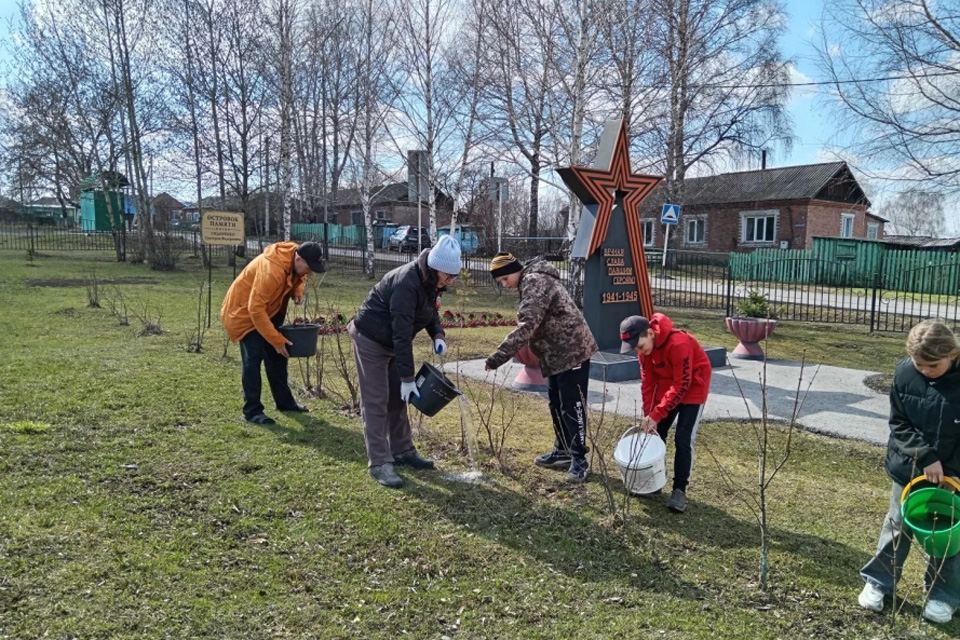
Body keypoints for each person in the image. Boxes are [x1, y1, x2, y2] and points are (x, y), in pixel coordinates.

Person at [858, 319, 960, 624]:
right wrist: (924, 456)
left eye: (933, 365)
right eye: (919, 364)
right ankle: (879, 581)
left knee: (948, 534)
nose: (925, 371)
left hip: (954, 477)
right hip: (910, 468)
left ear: (953, 354)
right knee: (897, 526)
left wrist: (954, 472)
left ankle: (944, 595)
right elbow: (899, 423)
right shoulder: (904, 373)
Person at [348, 234, 461, 488]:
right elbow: (401, 335)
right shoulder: (406, 284)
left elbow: (430, 310)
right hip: (371, 340)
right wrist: (408, 378)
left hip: (390, 342)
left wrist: (438, 334)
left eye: (453, 277)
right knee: (376, 401)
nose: (450, 282)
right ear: (435, 268)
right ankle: (379, 462)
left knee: (398, 399)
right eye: (448, 276)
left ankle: (402, 450)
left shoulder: (431, 281)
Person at [484, 252, 598, 483]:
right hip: (556, 354)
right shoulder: (531, 280)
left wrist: (497, 357)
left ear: (514, 271)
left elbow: (527, 325)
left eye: (505, 279)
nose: (505, 285)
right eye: (500, 282)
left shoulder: (534, 281)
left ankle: (579, 460)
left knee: (572, 405)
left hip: (572, 350)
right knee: (556, 403)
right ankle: (563, 451)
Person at [221, 241, 326, 425]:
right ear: (299, 259)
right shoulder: (271, 270)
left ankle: (285, 403)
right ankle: (252, 411)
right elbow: (255, 309)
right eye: (308, 268)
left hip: (270, 311)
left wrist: (297, 290)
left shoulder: (295, 257)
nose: (309, 273)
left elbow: (298, 276)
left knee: (278, 356)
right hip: (245, 315)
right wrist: (276, 339)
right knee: (253, 360)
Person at [619, 313, 711, 513]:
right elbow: (647, 383)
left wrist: (657, 413)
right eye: (635, 349)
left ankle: (679, 490)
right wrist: (649, 415)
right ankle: (655, 482)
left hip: (693, 387)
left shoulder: (679, 344)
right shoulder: (644, 351)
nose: (639, 351)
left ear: (650, 333)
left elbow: (682, 384)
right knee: (655, 432)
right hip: (667, 385)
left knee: (683, 439)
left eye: (640, 346)